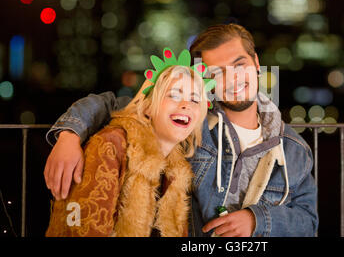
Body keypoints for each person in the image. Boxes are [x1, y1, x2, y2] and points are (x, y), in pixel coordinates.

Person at [44, 24, 318, 237]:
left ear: (256, 63)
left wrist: (257, 220)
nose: (232, 80)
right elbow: (113, 104)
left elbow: (308, 220)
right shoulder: (191, 120)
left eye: (239, 65)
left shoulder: (293, 148)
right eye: (216, 73)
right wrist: (69, 135)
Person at [45, 48, 212, 236]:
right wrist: (69, 134)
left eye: (194, 99)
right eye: (173, 94)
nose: (186, 104)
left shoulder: (176, 170)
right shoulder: (110, 146)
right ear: (147, 107)